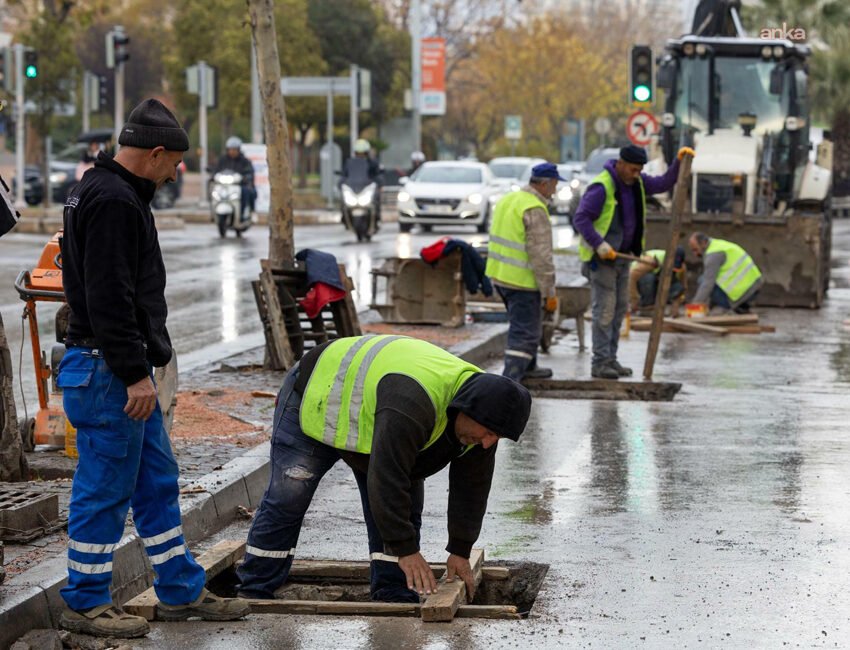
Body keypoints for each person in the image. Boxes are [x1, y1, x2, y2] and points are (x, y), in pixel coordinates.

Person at [58, 99, 249, 638]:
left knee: (157, 483)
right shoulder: (115, 200)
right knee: (104, 489)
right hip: (110, 374)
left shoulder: (98, 189)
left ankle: (180, 589)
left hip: (110, 369)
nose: (176, 173)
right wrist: (134, 374)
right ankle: (86, 601)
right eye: (175, 163)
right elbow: (109, 297)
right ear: (155, 153)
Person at [237, 335, 532, 602]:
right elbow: (387, 478)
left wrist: (460, 549)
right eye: (489, 433)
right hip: (319, 391)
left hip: (375, 412)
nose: (488, 442)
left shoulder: (486, 415)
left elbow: (472, 488)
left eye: (497, 437)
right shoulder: (414, 404)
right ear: (467, 408)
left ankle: (392, 593)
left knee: (403, 508)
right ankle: (255, 588)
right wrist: (407, 549)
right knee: (289, 497)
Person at [573, 144, 694, 380]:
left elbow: (663, 183)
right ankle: (600, 362)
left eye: (640, 170)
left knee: (619, 310)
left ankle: (610, 359)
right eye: (633, 169)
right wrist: (599, 244)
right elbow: (581, 218)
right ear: (620, 164)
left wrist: (679, 163)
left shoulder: (636, 183)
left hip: (623, 257)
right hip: (602, 260)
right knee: (605, 310)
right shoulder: (602, 187)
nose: (636, 174)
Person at [485, 162, 561, 381]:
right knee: (525, 333)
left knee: (524, 324)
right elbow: (541, 256)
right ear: (545, 184)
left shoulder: (509, 199)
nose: (555, 190)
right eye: (554, 185)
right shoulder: (535, 208)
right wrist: (549, 292)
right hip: (522, 282)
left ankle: (530, 367)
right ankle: (510, 380)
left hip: (500, 277)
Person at [688, 232, 763, 313]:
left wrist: (694, 305)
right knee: (710, 281)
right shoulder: (717, 245)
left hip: (743, 294)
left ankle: (730, 306)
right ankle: (740, 307)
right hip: (755, 286)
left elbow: (707, 284)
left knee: (702, 280)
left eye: (695, 250)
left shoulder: (713, 256)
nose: (695, 254)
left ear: (703, 243)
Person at [629, 246, 687, 315]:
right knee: (649, 278)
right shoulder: (650, 261)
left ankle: (664, 309)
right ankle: (647, 305)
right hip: (641, 282)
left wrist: (679, 301)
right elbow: (631, 276)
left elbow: (683, 286)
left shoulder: (682, 266)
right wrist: (634, 299)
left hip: (657, 281)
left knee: (677, 285)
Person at [214, 136, 255, 223]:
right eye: (230, 149)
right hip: (224, 185)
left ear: (238, 150)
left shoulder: (244, 161)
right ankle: (213, 211)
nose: (232, 151)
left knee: (246, 191)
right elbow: (216, 170)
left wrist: (246, 177)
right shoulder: (223, 160)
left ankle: (243, 213)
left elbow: (249, 171)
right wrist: (213, 175)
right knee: (214, 190)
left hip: (239, 185)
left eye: (234, 149)